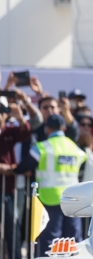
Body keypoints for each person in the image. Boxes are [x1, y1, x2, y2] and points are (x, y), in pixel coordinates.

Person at [28, 114, 86, 256]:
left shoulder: (42, 147)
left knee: (51, 240)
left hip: (51, 198)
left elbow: (24, 166)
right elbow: (84, 159)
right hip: (73, 200)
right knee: (73, 241)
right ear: (64, 128)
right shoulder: (74, 147)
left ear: (47, 129)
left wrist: (12, 169)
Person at [0, 97, 31, 259]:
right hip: (6, 187)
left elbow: (26, 132)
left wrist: (19, 116)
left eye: (1, 111)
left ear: (5, 115)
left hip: (8, 190)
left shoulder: (9, 131)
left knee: (12, 228)